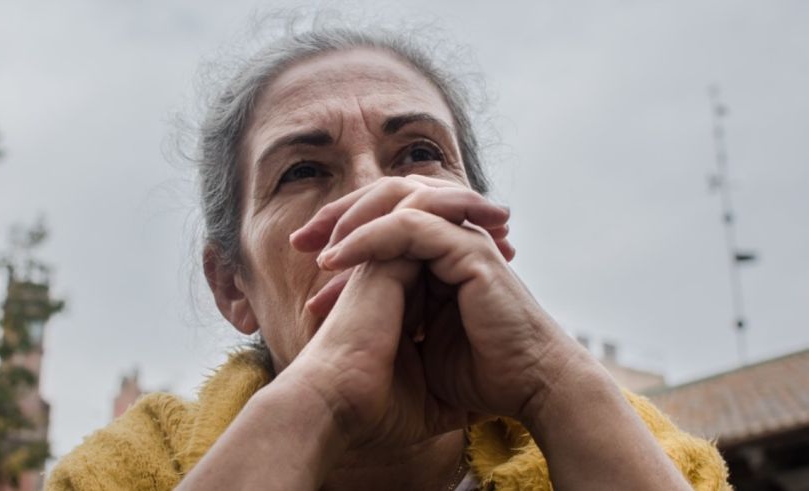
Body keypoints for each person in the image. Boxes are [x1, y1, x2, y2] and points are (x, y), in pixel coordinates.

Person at [47, 23, 730, 491]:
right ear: (232, 286)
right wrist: (323, 395)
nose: (385, 199)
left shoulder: (634, 444)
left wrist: (554, 383)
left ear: (484, 225)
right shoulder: (130, 468)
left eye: (421, 154)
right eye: (303, 171)